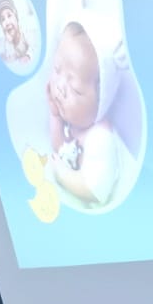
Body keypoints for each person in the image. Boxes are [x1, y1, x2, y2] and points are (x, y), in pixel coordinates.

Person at [45, 13, 126, 208]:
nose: (60, 87)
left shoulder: (100, 137)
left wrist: (62, 175)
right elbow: (61, 149)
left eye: (75, 89)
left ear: (101, 103)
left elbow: (96, 191)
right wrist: (55, 116)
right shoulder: (75, 120)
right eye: (57, 69)